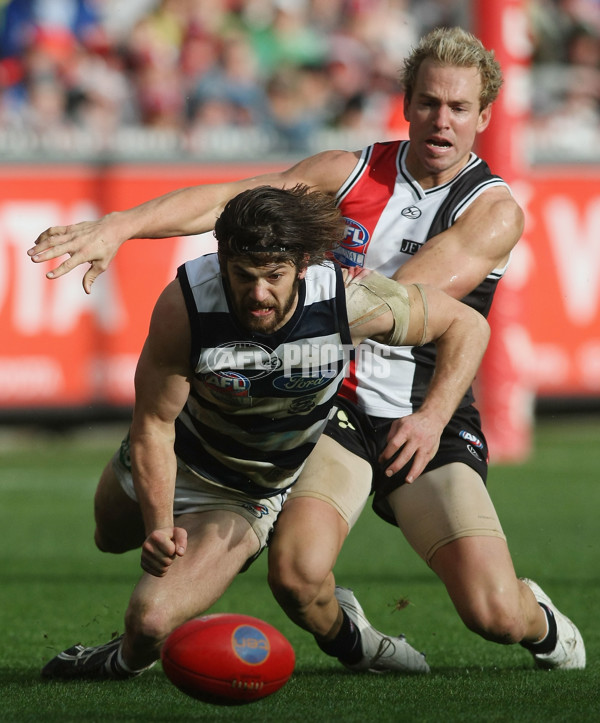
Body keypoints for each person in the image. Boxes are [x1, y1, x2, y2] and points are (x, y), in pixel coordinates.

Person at [31, 27, 585, 672]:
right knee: (295, 574)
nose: (442, 120)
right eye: (429, 103)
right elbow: (232, 205)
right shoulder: (344, 170)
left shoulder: (491, 211)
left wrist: (432, 417)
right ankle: (358, 642)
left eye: (459, 108)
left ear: (484, 117)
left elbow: (402, 301)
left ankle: (540, 622)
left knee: (492, 613)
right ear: (405, 103)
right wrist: (119, 226)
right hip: (330, 407)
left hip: (421, 413)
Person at [41, 184, 490, 679]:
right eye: (243, 276)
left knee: (149, 623)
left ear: (302, 265)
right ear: (222, 261)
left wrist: (432, 416)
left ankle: (117, 660)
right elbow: (153, 425)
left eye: (273, 276)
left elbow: (467, 326)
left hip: (248, 489)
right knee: (108, 536)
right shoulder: (186, 306)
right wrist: (159, 525)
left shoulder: (348, 298)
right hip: (182, 456)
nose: (258, 294)